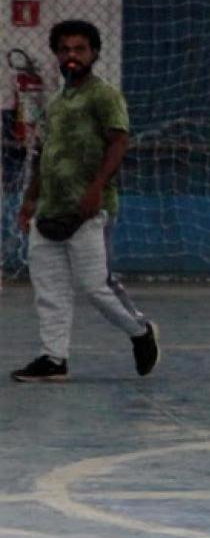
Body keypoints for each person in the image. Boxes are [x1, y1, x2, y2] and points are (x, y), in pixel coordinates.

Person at [10, 19, 159, 382]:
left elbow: (119, 141)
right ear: (57, 55)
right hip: (50, 209)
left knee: (96, 286)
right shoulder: (57, 104)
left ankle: (141, 332)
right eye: (64, 49)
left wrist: (96, 188)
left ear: (93, 53)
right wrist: (30, 200)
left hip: (91, 210)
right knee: (49, 288)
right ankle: (54, 358)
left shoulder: (104, 95)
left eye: (79, 49)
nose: (71, 55)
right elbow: (45, 153)